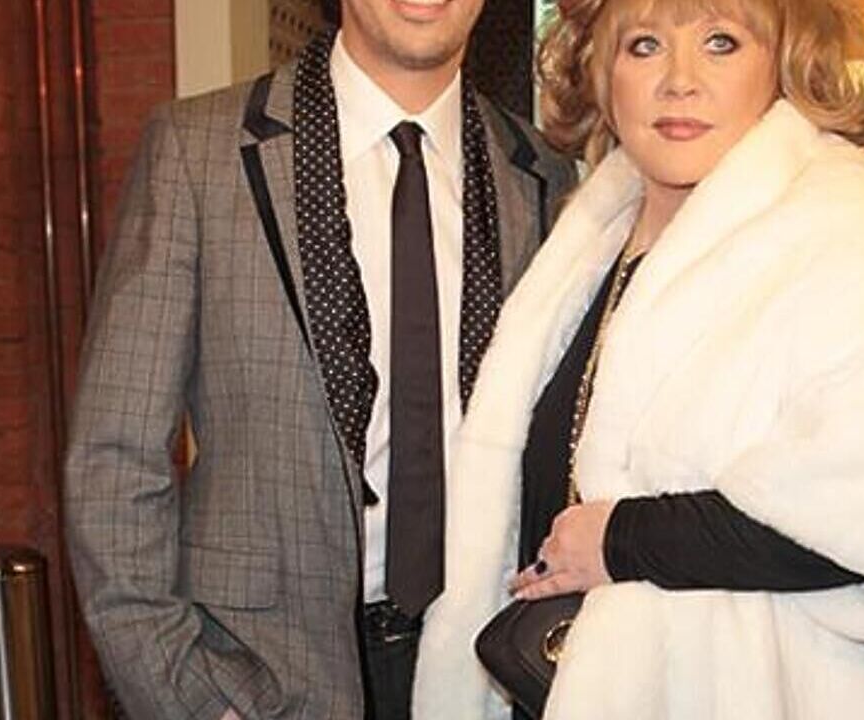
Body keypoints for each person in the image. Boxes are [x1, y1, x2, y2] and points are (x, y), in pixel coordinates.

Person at [412, 0, 864, 717]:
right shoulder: (590, 244)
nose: (680, 80)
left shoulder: (855, 231)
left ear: (782, 63)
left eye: (720, 42)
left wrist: (623, 538)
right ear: (603, 73)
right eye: (644, 46)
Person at [63, 0, 577, 717]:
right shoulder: (198, 152)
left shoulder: (543, 177)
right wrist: (189, 696)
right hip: (261, 674)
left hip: (482, 673)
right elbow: (113, 458)